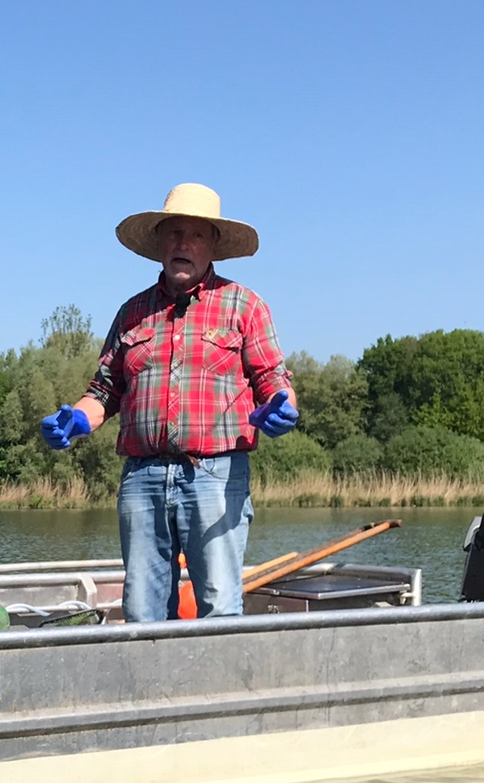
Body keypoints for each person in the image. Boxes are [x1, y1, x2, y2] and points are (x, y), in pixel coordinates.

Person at [38, 183, 298, 622]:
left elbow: (273, 378)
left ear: (213, 245)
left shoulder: (245, 306)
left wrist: (282, 405)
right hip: (142, 478)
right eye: (174, 232)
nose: (183, 243)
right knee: (142, 612)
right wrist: (78, 418)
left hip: (216, 476)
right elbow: (104, 390)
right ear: (159, 242)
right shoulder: (132, 312)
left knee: (219, 607)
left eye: (196, 234)